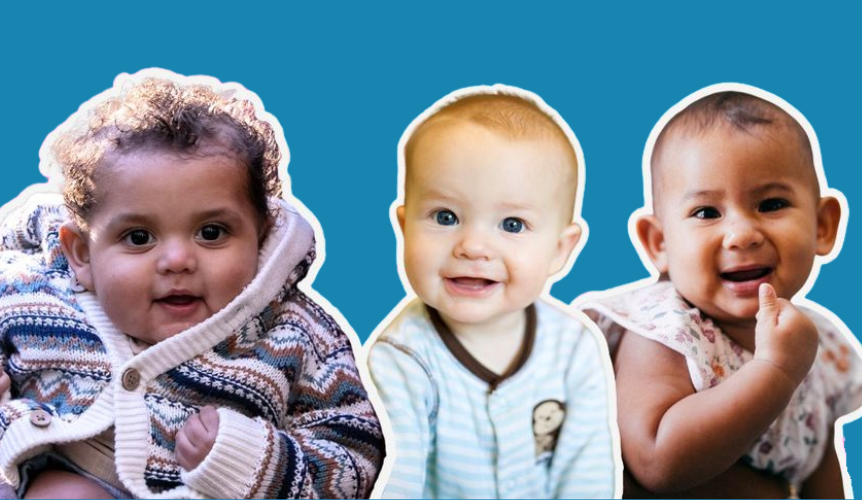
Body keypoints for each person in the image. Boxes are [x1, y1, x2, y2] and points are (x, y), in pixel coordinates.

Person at [0, 71, 385, 499]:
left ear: (260, 236)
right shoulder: (34, 288)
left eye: (212, 232)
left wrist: (253, 460)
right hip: (52, 472)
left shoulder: (295, 334)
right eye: (139, 237)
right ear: (83, 255)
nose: (179, 261)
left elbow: (354, 454)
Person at [577, 86, 862, 498]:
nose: (742, 235)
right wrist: (776, 371)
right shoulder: (665, 329)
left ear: (823, 226)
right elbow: (656, 461)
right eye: (706, 212)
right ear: (659, 243)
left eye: (772, 204)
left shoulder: (820, 342)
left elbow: (817, 460)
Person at [366, 85, 618, 498]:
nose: (473, 247)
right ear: (404, 226)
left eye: (512, 225)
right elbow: (396, 480)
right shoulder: (403, 357)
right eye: (445, 217)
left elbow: (587, 475)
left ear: (559, 250)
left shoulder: (574, 346)